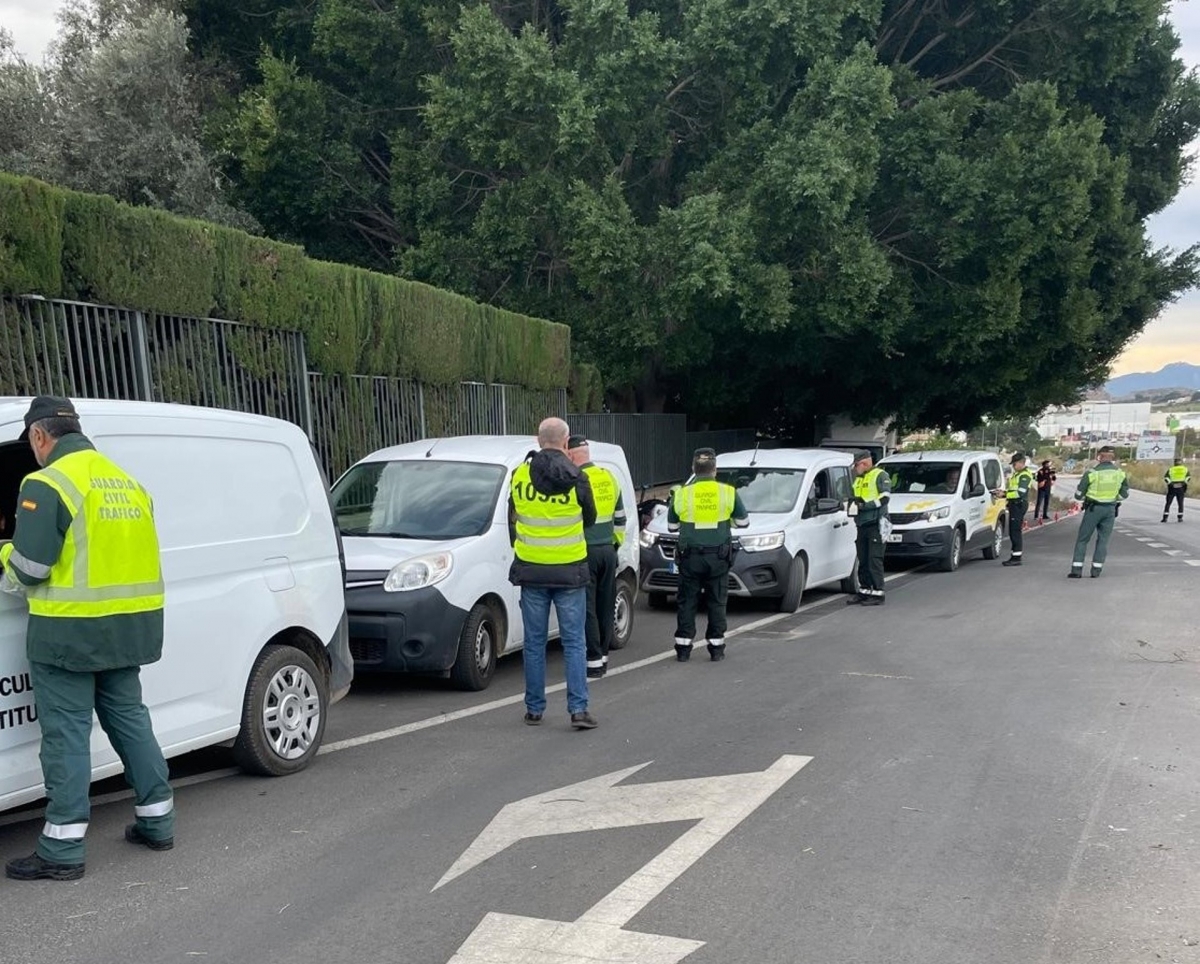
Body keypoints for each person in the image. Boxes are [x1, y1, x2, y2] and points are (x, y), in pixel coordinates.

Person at [0, 396, 174, 882]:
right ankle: (158, 821)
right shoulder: (126, 481)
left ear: (39, 436)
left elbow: (30, 569)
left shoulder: (47, 482)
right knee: (130, 723)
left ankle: (62, 849)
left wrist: (4, 555)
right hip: (130, 627)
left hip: (68, 635)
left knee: (66, 735)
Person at [508, 417, 598, 729]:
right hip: (570, 571)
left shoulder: (519, 475)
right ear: (566, 441)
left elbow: (513, 516)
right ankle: (578, 710)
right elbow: (590, 518)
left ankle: (534, 709)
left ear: (537, 440)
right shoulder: (578, 479)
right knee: (574, 642)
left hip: (532, 571)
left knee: (534, 643)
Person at [669, 448, 748, 662]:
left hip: (690, 558)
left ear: (693, 468)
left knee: (687, 602)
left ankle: (683, 649)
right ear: (715, 470)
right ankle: (716, 648)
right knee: (717, 601)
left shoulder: (682, 493)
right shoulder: (728, 492)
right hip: (719, 558)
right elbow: (743, 522)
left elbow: (671, 526)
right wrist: (724, 522)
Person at [566, 436, 626, 679]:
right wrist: (615, 545)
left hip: (585, 551)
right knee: (605, 605)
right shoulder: (609, 477)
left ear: (571, 455)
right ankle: (603, 657)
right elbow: (620, 519)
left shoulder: (574, 481)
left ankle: (592, 661)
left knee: (587, 607)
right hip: (608, 551)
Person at [1069, 445, 1129, 579]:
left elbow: (1079, 495)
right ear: (1113, 458)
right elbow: (1125, 494)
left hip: (1093, 509)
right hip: (1110, 510)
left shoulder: (1092, 473)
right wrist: (1113, 498)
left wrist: (1087, 497)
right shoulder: (1120, 473)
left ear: (1099, 457)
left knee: (1083, 539)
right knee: (1103, 540)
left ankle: (1076, 570)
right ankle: (1096, 571)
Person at [847, 450, 891, 605]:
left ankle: (878, 594)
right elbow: (855, 497)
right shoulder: (859, 479)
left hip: (875, 524)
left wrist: (865, 506)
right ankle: (864, 590)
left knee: (874, 559)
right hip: (862, 524)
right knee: (863, 559)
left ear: (864, 463)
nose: (855, 469)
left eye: (856, 465)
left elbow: (885, 498)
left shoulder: (880, 475)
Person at [997, 452, 1034, 566]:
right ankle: (1015, 555)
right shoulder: (1017, 474)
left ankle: (1016, 557)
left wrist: (1004, 494)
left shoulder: (1024, 475)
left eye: (1014, 464)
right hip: (1014, 504)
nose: (1013, 466)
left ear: (1020, 463)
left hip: (1019, 504)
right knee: (1013, 530)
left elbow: (1020, 493)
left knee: (1015, 531)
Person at [1162, 457, 1190, 522]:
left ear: (1174, 462)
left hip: (1172, 488)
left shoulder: (1171, 469)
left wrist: (1170, 484)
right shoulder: (1185, 469)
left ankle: (1165, 518)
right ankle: (1180, 518)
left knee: (1168, 503)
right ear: (1181, 462)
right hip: (1181, 487)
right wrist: (1184, 483)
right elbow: (1188, 477)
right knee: (1180, 503)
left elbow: (1166, 478)